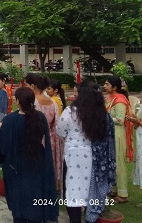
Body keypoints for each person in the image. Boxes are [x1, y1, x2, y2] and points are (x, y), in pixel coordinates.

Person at [56, 81, 116, 223]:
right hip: (94, 158)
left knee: (73, 192)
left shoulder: (70, 112)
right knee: (91, 192)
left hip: (73, 156)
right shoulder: (103, 115)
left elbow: (60, 131)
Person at [0, 87, 58, 223]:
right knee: (34, 191)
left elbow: (4, 145)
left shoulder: (10, 120)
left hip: (17, 163)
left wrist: (2, 129)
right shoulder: (40, 117)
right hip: (38, 159)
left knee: (19, 193)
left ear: (18, 101)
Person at [24, 73, 61, 185]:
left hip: (37, 137)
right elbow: (57, 122)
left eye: (26, 84)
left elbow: (30, 122)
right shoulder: (52, 101)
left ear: (32, 86)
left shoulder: (34, 101)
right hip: (51, 136)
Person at [104, 75, 132, 203]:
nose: (104, 86)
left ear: (114, 87)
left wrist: (104, 119)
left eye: (107, 84)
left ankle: (123, 194)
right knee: (112, 162)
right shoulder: (109, 98)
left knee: (119, 163)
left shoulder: (120, 100)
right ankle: (114, 189)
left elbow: (120, 120)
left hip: (118, 134)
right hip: (110, 134)